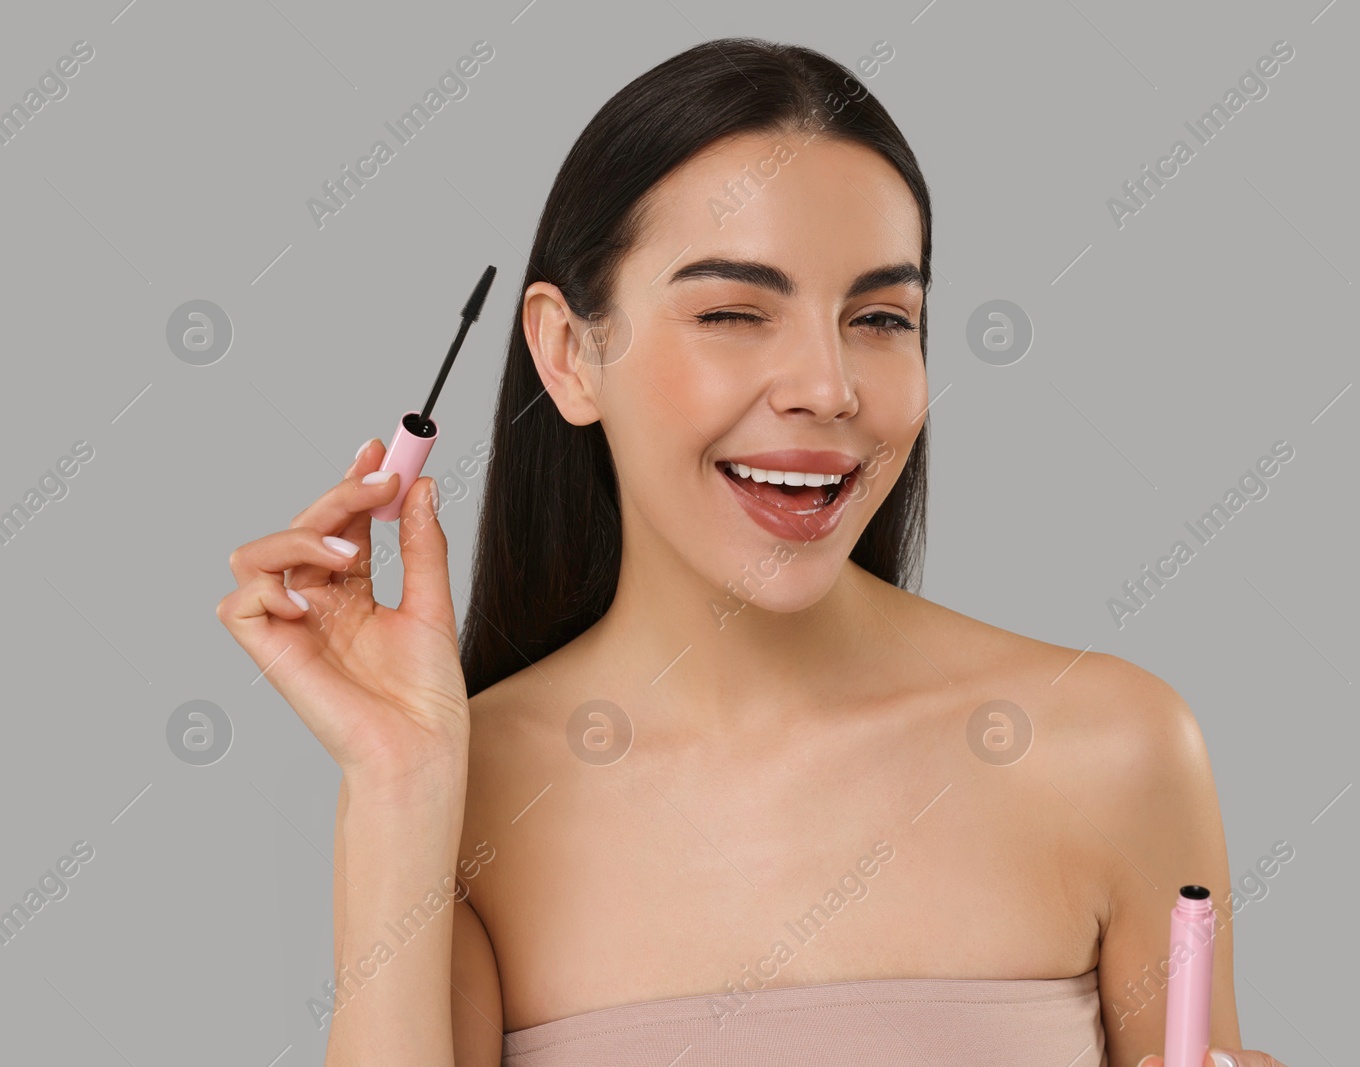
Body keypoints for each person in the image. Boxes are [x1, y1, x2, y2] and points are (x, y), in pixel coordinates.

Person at [218, 36, 1289, 1067]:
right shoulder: (465, 797)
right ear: (568, 353)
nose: (827, 386)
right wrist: (399, 782)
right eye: (733, 312)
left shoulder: (1114, 747)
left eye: (878, 316)